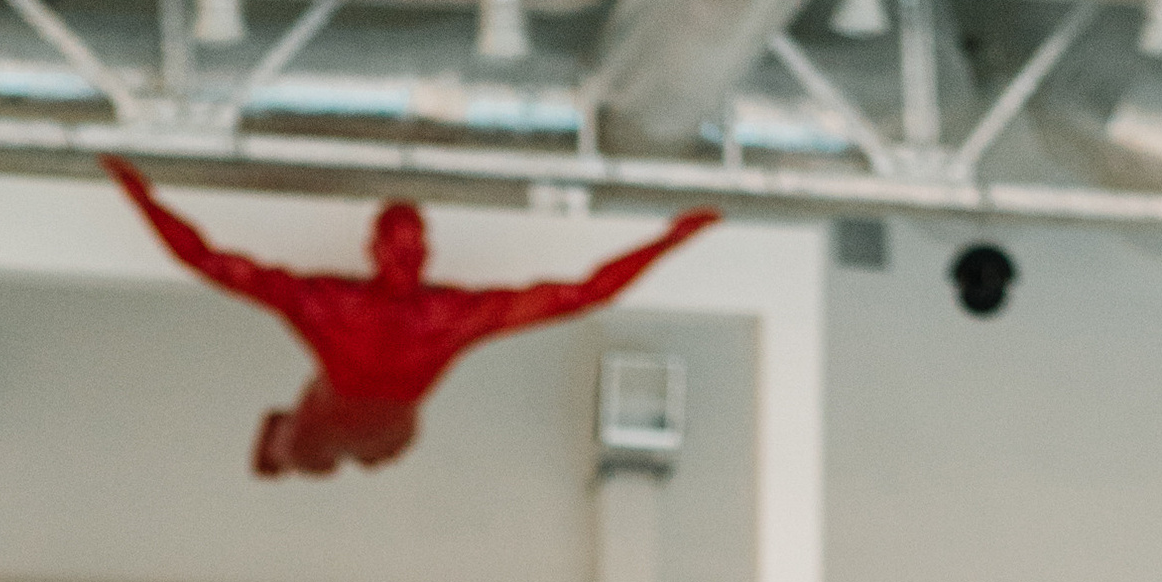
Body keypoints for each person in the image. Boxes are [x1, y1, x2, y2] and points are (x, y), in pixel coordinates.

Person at [105, 164, 719, 475]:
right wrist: (671, 238)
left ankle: (301, 451)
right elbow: (586, 293)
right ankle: (299, 450)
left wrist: (675, 237)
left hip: (365, 375)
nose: (404, 241)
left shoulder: (334, 309)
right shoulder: (433, 318)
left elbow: (204, 260)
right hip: (362, 371)